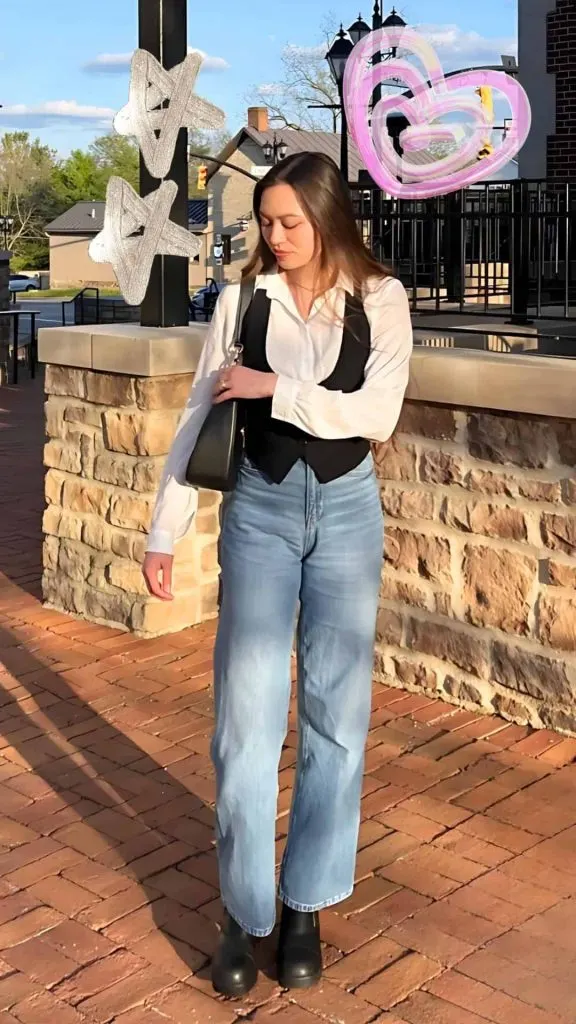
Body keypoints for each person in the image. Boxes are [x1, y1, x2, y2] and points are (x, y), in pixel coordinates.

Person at [143, 151, 412, 997]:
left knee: (338, 714)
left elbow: (377, 413)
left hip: (346, 513)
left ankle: (307, 904)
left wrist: (275, 387)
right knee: (245, 718)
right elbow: (201, 412)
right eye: (266, 222)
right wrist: (164, 529)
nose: (275, 236)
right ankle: (245, 910)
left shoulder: (382, 300)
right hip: (257, 509)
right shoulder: (238, 301)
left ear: (329, 217)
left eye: (290, 222)